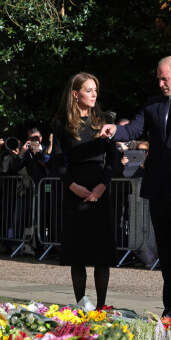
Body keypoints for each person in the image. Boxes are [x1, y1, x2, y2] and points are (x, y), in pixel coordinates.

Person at [99, 56, 171, 317]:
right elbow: (132, 130)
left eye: (165, 78)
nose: (161, 83)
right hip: (159, 192)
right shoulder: (153, 105)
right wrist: (113, 131)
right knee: (168, 254)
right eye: (159, 79)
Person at [52, 72, 117, 309]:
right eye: (88, 90)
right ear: (75, 94)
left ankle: (101, 308)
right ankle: (81, 305)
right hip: (74, 192)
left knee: (101, 255)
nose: (94, 94)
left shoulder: (105, 120)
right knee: (76, 255)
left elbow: (113, 160)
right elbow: (58, 162)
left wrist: (101, 186)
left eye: (95, 90)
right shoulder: (62, 123)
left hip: (100, 191)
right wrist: (72, 186)